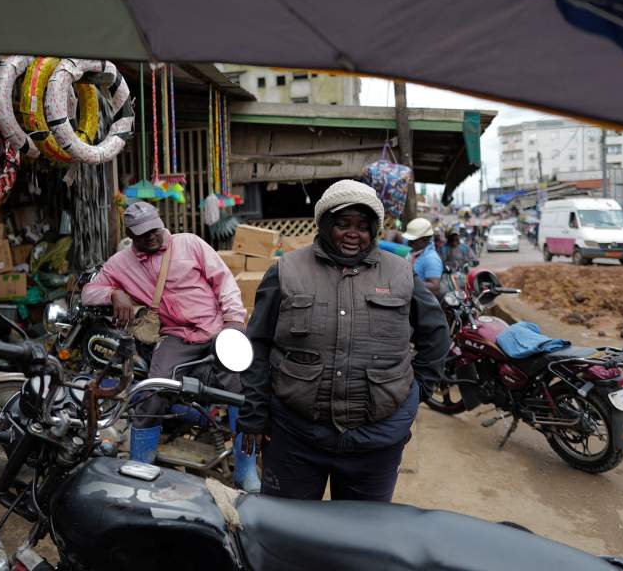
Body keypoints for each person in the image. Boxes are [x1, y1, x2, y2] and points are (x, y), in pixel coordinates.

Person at [237, 180, 450, 502]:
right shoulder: (286, 271)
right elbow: (257, 345)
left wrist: (416, 391)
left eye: (363, 226)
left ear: (374, 230)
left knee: (360, 540)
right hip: (296, 437)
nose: (354, 233)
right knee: (289, 532)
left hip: (376, 441)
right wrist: (254, 413)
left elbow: (435, 334)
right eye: (342, 224)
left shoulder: (401, 274)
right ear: (323, 225)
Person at [82, 201, 260, 490]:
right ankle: (141, 469)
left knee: (241, 391)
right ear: (130, 233)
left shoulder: (190, 244)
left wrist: (234, 322)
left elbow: (224, 282)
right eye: (142, 233)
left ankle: (246, 471)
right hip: (176, 336)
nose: (151, 236)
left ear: (160, 222)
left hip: (216, 328)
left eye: (154, 228)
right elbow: (88, 293)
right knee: (152, 391)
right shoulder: (120, 263)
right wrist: (114, 293)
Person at [403, 217, 443, 294]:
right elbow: (394, 233)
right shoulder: (415, 247)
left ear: (424, 239)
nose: (409, 242)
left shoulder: (431, 259)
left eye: (412, 240)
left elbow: (435, 287)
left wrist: (406, 282)